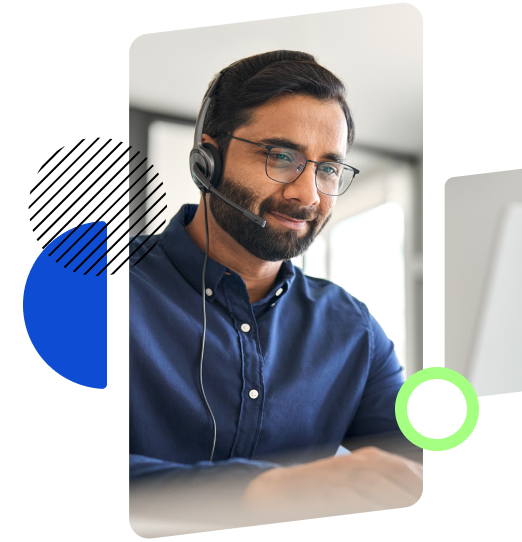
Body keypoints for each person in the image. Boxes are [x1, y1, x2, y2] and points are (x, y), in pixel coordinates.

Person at [129, 50, 422, 527]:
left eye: (328, 168)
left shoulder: (351, 330)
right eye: (280, 156)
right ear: (208, 159)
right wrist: (259, 492)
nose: (307, 194)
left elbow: (421, 466)